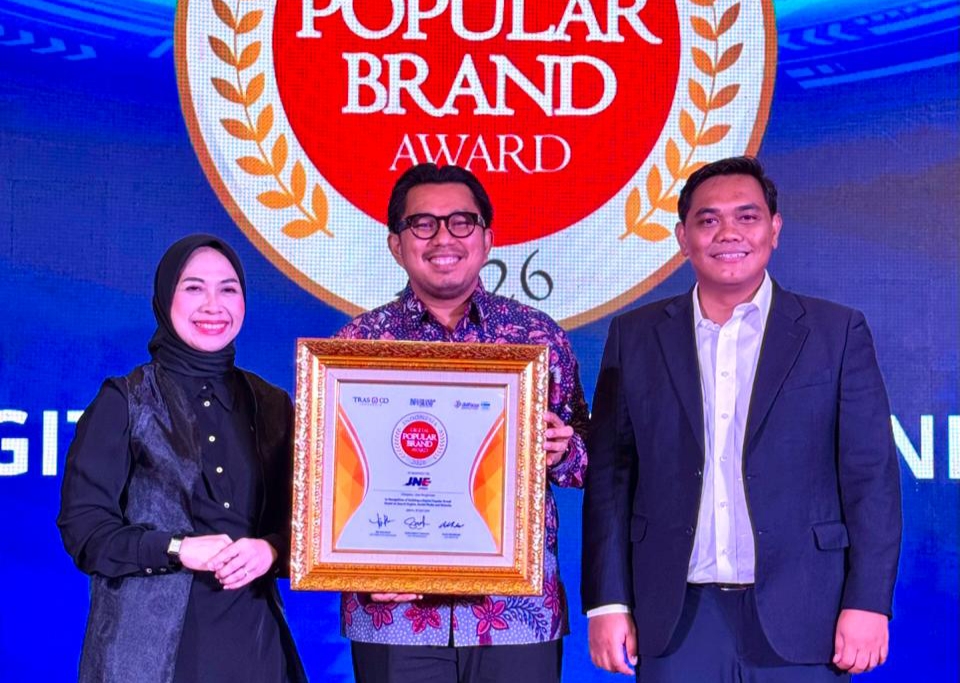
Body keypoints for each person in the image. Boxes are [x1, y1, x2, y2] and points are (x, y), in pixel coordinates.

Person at [582, 156, 902, 682]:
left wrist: (868, 601)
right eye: (708, 220)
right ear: (683, 237)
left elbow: (871, 479)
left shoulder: (836, 333)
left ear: (774, 229)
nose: (728, 232)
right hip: (677, 619)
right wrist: (608, 602)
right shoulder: (635, 336)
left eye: (746, 217)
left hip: (807, 612)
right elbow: (611, 478)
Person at [335, 163, 589, 683]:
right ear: (396, 244)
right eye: (422, 224)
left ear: (487, 239)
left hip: (515, 614)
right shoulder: (358, 345)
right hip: (394, 613)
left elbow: (590, 457)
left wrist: (564, 451)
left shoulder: (536, 337)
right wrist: (355, 565)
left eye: (461, 222)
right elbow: (327, 477)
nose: (443, 238)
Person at [57, 234, 306, 683]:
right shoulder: (126, 400)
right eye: (194, 288)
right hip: (145, 654)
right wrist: (177, 548)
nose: (213, 305)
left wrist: (271, 549)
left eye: (228, 289)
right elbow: (85, 531)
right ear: (165, 298)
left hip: (254, 645)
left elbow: (307, 526)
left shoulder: (272, 404)